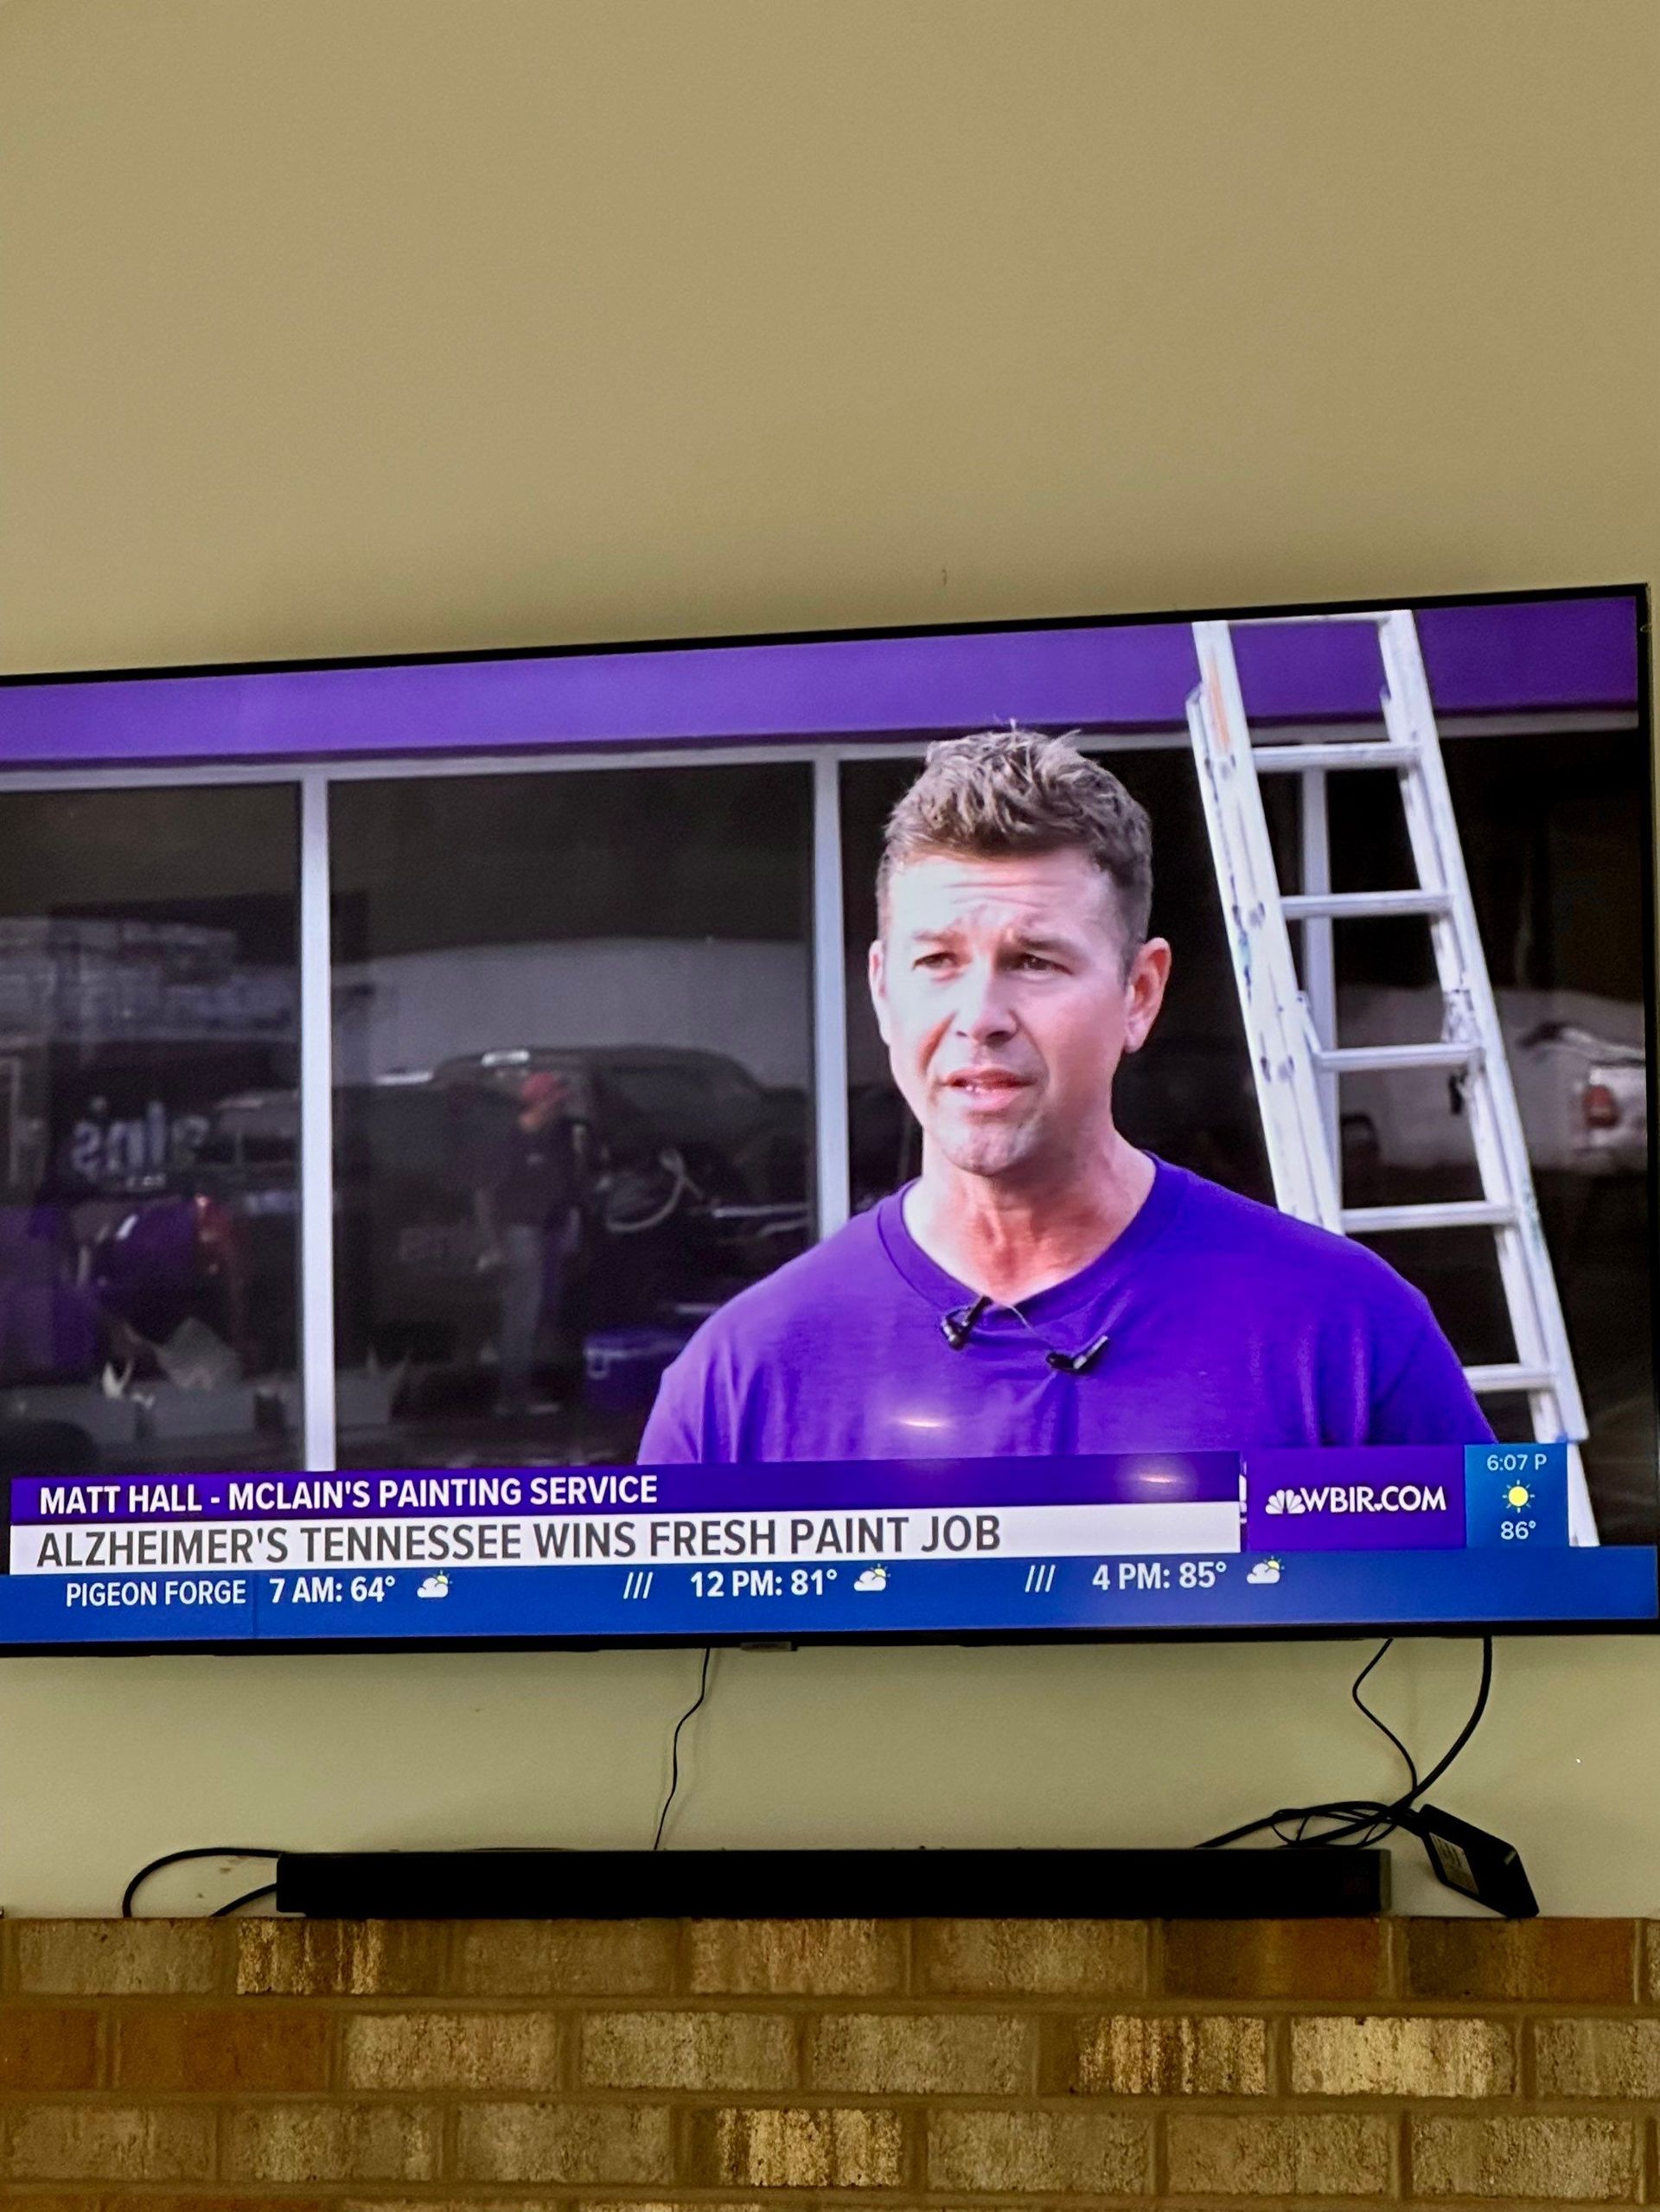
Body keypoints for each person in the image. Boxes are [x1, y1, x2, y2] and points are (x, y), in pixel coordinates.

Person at [640, 729, 1492, 1463]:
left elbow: (1501, 1633)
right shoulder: (741, 1382)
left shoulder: (1346, 1332)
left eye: (1035, 962)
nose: (980, 1018)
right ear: (882, 991)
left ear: (1140, 993)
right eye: (937, 962)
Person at [474, 1068, 579, 1415]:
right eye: (555, 1099)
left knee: (542, 1312)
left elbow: (564, 1186)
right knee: (521, 1315)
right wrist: (494, 1245)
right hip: (520, 1235)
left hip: (549, 1233)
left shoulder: (556, 1140)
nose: (560, 1106)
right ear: (541, 1102)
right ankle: (513, 1396)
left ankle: (528, 1389)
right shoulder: (511, 1142)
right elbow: (485, 1195)